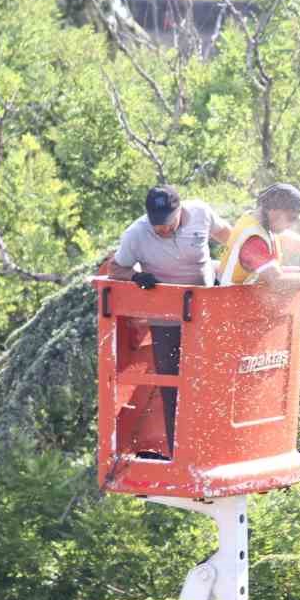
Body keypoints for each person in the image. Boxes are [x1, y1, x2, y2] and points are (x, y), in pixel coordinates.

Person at [108, 185, 231, 456]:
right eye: (156, 225)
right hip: (166, 318)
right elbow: (116, 268)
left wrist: (237, 272)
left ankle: (215, 447)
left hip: (206, 313)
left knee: (211, 378)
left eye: (166, 224)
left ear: (180, 211)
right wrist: (135, 276)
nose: (161, 230)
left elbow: (231, 239)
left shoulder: (201, 213)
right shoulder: (136, 234)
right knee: (172, 384)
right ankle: (181, 452)